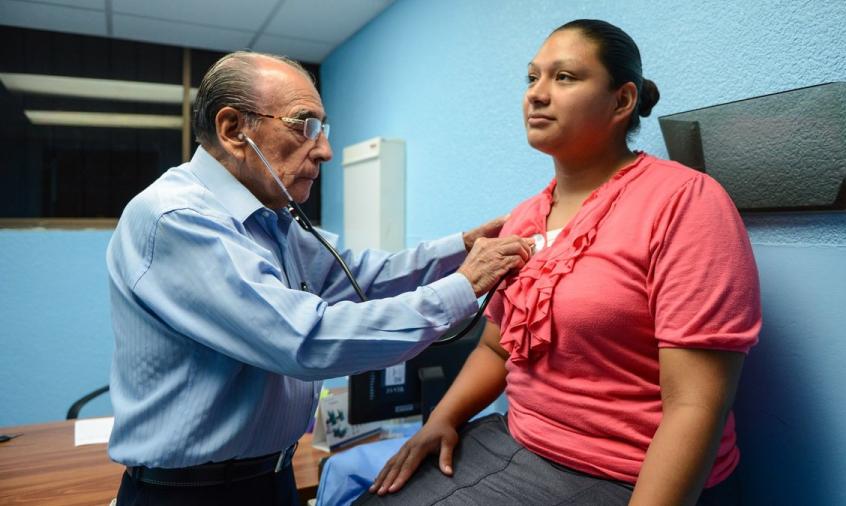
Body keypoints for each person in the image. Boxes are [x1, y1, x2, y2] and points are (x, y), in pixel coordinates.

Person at [106, 51, 533, 506]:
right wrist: (464, 286)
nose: (325, 149)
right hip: (194, 495)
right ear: (233, 130)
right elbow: (304, 339)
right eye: (304, 125)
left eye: (322, 128)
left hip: (269, 479)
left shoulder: (272, 219)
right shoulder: (176, 219)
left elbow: (364, 276)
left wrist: (461, 248)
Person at [361, 19, 761, 505]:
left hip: (627, 473)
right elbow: (495, 349)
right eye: (532, 78)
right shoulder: (526, 216)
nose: (537, 94)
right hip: (519, 439)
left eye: (565, 77)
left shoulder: (685, 202)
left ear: (622, 101)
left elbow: (695, 403)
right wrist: (442, 420)